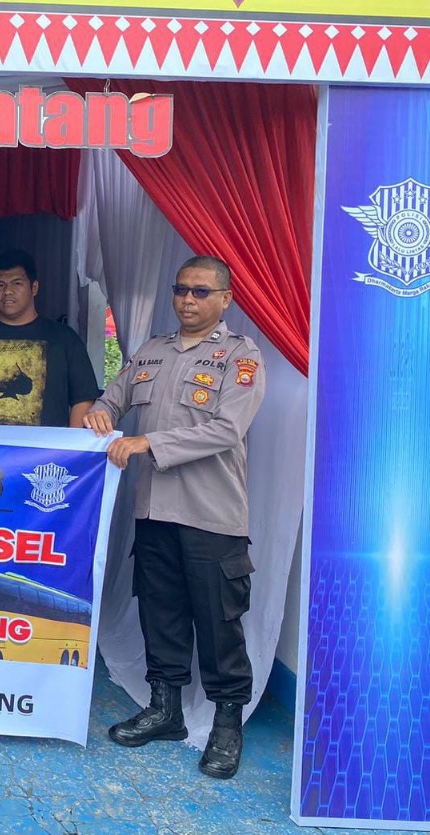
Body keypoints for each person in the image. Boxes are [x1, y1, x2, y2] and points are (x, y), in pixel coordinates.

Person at [84, 255, 266, 780]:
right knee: (160, 612)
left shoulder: (241, 357)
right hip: (153, 509)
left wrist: (148, 442)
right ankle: (165, 711)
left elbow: (226, 430)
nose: (188, 299)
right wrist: (101, 413)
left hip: (211, 513)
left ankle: (227, 725)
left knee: (218, 621)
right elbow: (112, 400)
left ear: (225, 299)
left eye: (201, 291)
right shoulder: (151, 351)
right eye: (181, 289)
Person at [0, 250, 100, 427]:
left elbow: (83, 399)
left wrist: (72, 442)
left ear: (34, 288)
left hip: (40, 444)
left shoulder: (64, 338)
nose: (7, 291)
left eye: (17, 283)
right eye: (0, 285)